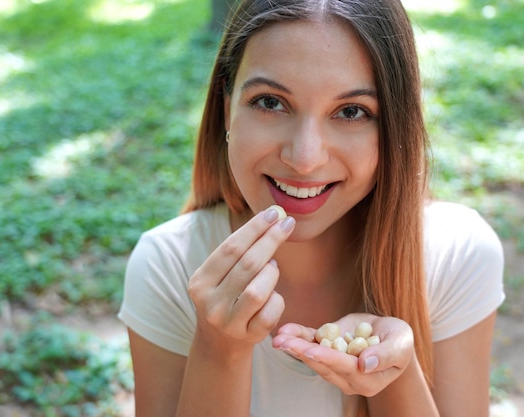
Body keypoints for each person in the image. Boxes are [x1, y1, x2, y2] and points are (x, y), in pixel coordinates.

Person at [117, 0, 505, 416]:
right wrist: (219, 348)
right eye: (270, 102)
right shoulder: (168, 265)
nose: (304, 158)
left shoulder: (456, 255)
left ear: (394, 125)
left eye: (351, 111)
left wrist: (393, 374)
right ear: (227, 105)